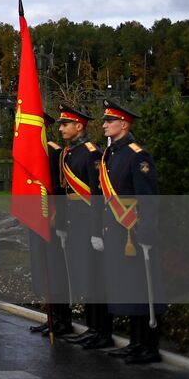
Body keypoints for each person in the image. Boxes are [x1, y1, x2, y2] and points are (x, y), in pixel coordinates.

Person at [97, 100, 165, 365]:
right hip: (117, 231)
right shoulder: (111, 155)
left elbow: (147, 198)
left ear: (123, 124)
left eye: (108, 121)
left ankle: (150, 346)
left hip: (134, 233)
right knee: (129, 286)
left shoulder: (138, 156)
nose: (103, 125)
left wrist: (147, 233)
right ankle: (135, 342)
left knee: (145, 286)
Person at [55, 107, 113, 349]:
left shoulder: (90, 154)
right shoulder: (69, 153)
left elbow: (97, 195)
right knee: (85, 275)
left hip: (88, 221)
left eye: (65, 124)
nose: (60, 129)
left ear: (79, 126)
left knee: (95, 277)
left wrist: (96, 230)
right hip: (73, 220)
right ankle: (92, 327)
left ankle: (102, 330)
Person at [27, 112, 73, 336]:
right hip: (36, 216)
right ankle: (51, 316)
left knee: (55, 269)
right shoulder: (29, 153)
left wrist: (58, 220)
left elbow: (59, 189)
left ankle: (63, 318)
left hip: (51, 219)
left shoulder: (54, 152)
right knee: (43, 266)